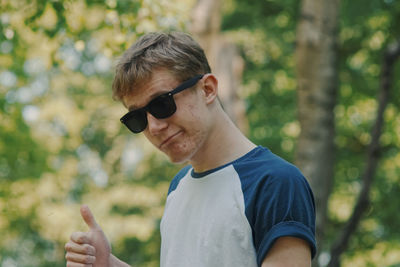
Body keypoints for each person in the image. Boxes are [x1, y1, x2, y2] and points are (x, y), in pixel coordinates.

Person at [65, 31, 316, 267]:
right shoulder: (178, 188)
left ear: (207, 89)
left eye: (161, 104)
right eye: (138, 118)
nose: (153, 127)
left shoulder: (276, 183)